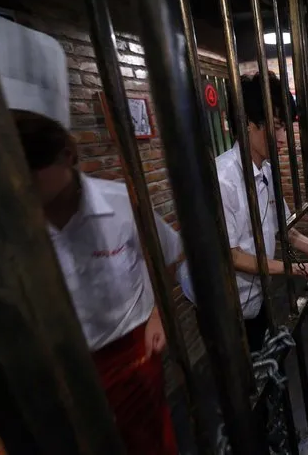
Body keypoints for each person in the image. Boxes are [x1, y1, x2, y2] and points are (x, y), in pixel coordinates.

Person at [13, 110, 182, 455]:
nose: (20, 181)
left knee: (151, 445)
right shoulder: (10, 224)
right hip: (56, 372)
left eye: (31, 167)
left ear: (67, 154)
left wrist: (158, 315)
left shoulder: (121, 205)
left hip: (129, 356)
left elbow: (169, 255)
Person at [216, 72, 308, 351]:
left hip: (259, 293)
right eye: (277, 127)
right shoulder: (222, 179)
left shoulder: (265, 171)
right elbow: (229, 255)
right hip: (226, 306)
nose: (283, 137)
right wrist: (293, 268)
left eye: (285, 127)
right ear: (247, 125)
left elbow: (283, 227)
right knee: (244, 384)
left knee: (266, 364)